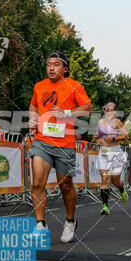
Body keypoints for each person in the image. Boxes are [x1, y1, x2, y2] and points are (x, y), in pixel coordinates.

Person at [28, 52, 92, 242]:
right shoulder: (39, 86)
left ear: (64, 68)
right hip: (42, 141)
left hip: (65, 143)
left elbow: (87, 108)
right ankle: (40, 225)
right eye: (48, 64)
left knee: (65, 185)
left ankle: (70, 221)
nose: (51, 68)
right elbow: (33, 106)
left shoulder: (74, 86)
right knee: (38, 183)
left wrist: (66, 112)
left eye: (56, 65)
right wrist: (32, 118)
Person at [93, 102, 129, 215]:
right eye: (106, 106)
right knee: (104, 179)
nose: (107, 107)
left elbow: (126, 136)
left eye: (110, 106)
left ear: (114, 111)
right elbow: (97, 134)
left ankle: (121, 188)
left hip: (115, 152)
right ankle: (105, 207)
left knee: (115, 180)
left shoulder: (117, 122)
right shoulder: (100, 122)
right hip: (103, 152)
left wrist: (113, 139)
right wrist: (95, 137)